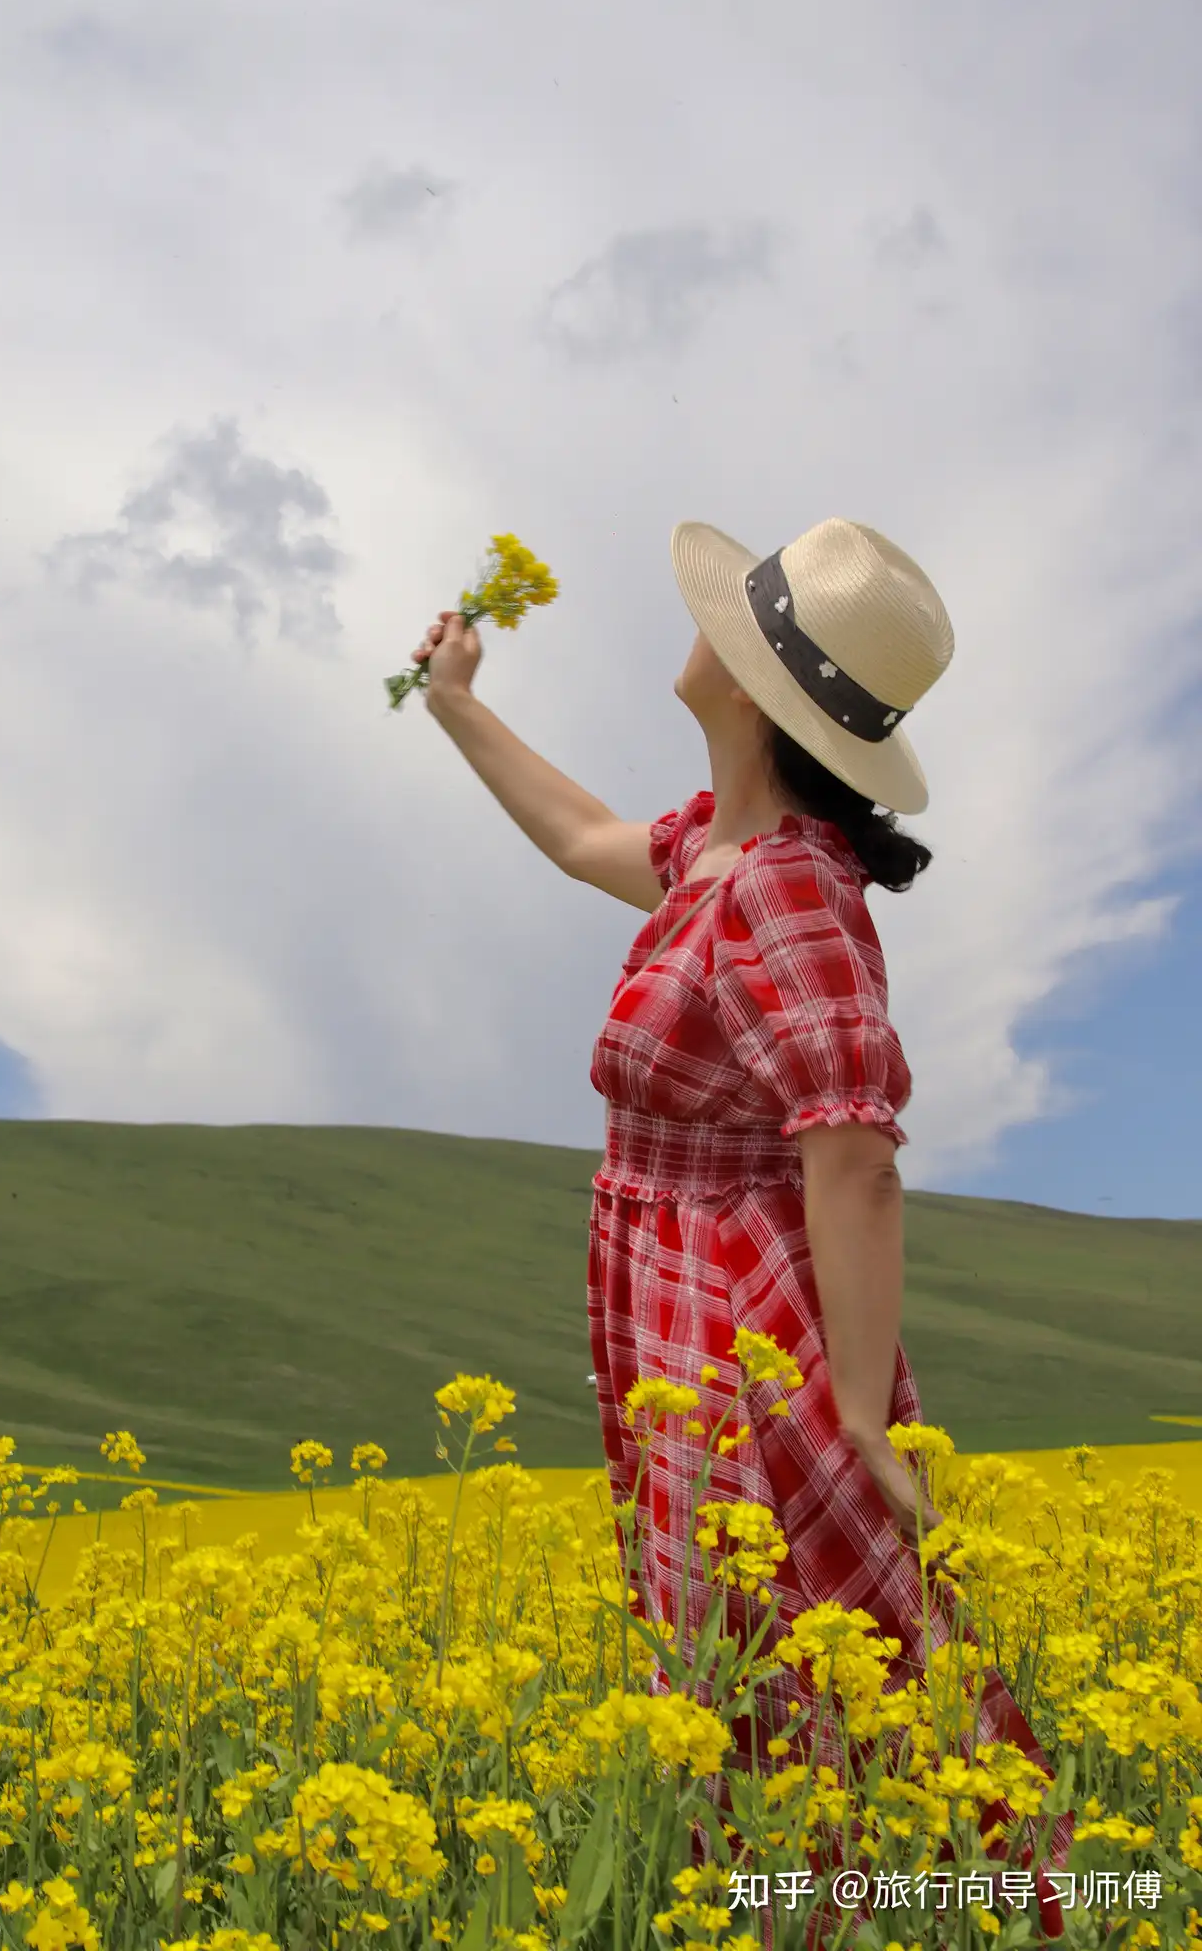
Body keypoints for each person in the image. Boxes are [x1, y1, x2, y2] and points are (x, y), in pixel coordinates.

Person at [412, 515, 1069, 1927]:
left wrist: (857, 1412)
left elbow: (854, 1158)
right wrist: (460, 706)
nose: (704, 623)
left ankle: (973, 1911)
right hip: (677, 1304)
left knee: (805, 1667)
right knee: (740, 1678)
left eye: (743, 616)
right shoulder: (719, 850)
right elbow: (587, 837)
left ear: (767, 688)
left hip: (744, 1330)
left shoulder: (791, 892)